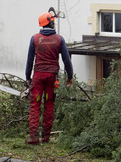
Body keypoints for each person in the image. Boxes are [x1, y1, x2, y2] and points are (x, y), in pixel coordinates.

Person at [24, 11, 74, 145]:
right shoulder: (59, 39)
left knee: (35, 104)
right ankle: (46, 137)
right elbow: (67, 60)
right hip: (52, 78)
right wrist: (70, 77)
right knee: (49, 104)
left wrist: (27, 78)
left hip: (38, 77)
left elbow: (29, 60)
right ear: (51, 23)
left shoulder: (34, 39)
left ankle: (33, 137)